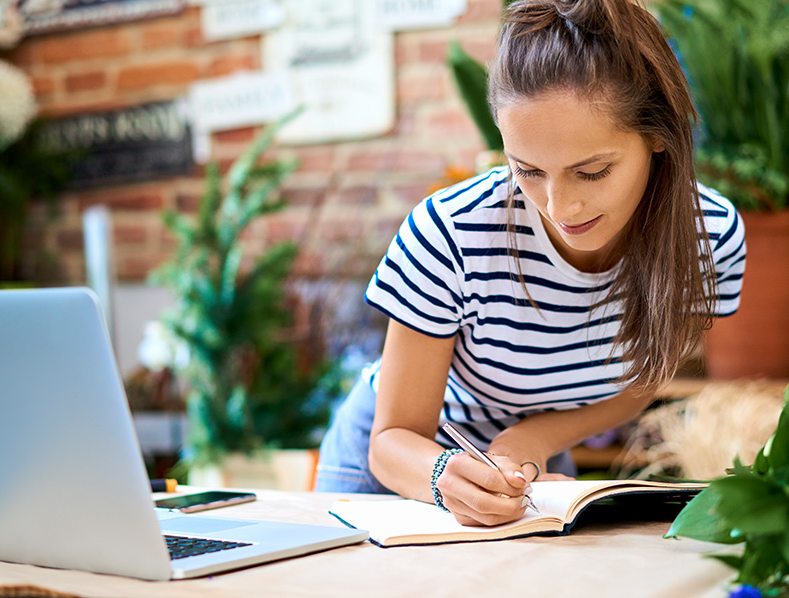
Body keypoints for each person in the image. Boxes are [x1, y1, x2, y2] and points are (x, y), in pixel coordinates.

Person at [315, 0, 746, 527]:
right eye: (528, 171)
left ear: (658, 136)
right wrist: (447, 475)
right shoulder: (452, 232)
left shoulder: (709, 239)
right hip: (401, 469)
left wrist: (534, 438)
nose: (559, 207)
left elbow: (643, 380)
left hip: (529, 468)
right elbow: (390, 441)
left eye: (592, 171)